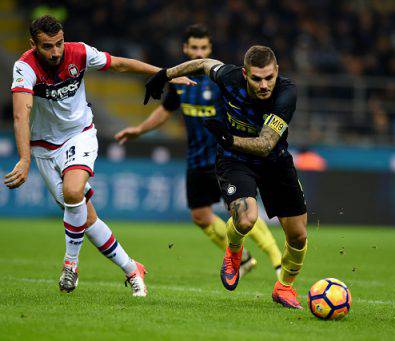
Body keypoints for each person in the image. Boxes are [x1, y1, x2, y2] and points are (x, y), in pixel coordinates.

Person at [4, 15, 194, 296]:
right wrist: (25, 158)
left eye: (58, 44)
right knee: (86, 219)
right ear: (33, 44)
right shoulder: (25, 67)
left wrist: (165, 74)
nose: (55, 52)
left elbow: (118, 63)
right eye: (47, 46)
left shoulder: (78, 52)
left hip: (79, 134)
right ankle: (132, 268)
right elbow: (22, 113)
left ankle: (70, 264)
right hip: (43, 148)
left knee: (73, 191)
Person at [143, 45, 308, 309]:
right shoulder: (230, 77)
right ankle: (233, 252)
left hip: (275, 162)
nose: (264, 84)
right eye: (256, 78)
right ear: (245, 74)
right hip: (236, 161)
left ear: (277, 71)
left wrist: (229, 138)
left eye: (269, 77)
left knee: (298, 236)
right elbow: (203, 63)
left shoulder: (286, 93)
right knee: (246, 218)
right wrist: (165, 75)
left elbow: (266, 144)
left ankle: (284, 288)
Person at [115, 25, 282, 277]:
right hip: (196, 158)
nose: (198, 52)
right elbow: (166, 110)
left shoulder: (222, 80)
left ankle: (276, 259)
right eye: (194, 47)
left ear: (210, 50)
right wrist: (139, 130)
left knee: (241, 210)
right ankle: (244, 259)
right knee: (201, 216)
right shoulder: (180, 82)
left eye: (203, 48)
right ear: (185, 48)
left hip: (225, 157)